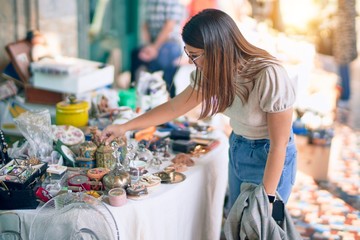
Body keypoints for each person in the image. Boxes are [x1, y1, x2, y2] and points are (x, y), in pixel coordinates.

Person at [102, 9, 297, 211]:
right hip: (239, 145)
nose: (189, 62)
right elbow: (174, 107)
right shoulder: (213, 71)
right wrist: (124, 126)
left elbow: (279, 146)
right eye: (188, 54)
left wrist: (268, 200)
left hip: (269, 155)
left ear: (217, 50)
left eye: (194, 55)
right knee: (238, 219)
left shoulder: (269, 75)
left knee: (260, 223)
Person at [130, 0, 186, 98]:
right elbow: (144, 25)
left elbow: (169, 26)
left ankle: (168, 97)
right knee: (136, 55)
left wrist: (155, 47)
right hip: (152, 43)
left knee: (162, 60)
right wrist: (148, 46)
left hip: (170, 43)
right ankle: (135, 95)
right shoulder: (149, 2)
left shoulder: (172, 2)